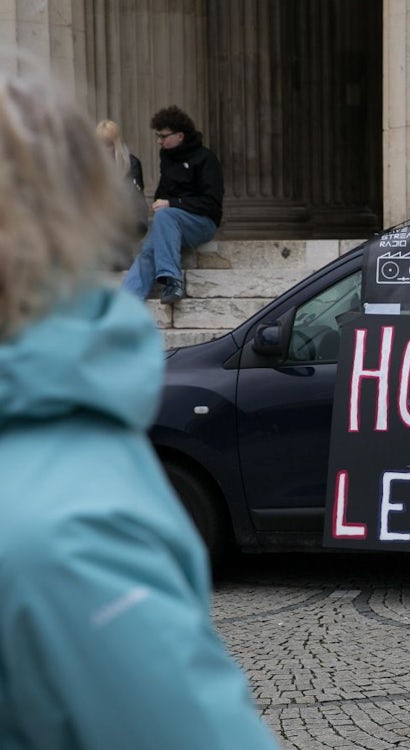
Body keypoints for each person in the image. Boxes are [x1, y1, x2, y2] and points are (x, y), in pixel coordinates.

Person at [0, 55, 278, 749]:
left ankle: (159, 282)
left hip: (192, 223)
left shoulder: (64, 507)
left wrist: (172, 204)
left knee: (166, 228)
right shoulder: (73, 526)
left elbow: (207, 203)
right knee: (160, 230)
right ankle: (162, 285)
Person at [122, 105, 223, 304]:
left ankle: (173, 279)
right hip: (172, 222)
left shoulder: (206, 159)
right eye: (157, 136)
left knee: (165, 216)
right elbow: (164, 192)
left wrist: (173, 203)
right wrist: (161, 202)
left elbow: (211, 203)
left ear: (180, 136)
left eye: (163, 136)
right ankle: (126, 302)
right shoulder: (167, 157)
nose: (159, 141)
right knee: (149, 249)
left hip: (202, 223)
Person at [95, 118, 148, 241]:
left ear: (116, 144)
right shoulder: (92, 165)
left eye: (108, 144)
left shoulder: (131, 163)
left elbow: (134, 198)